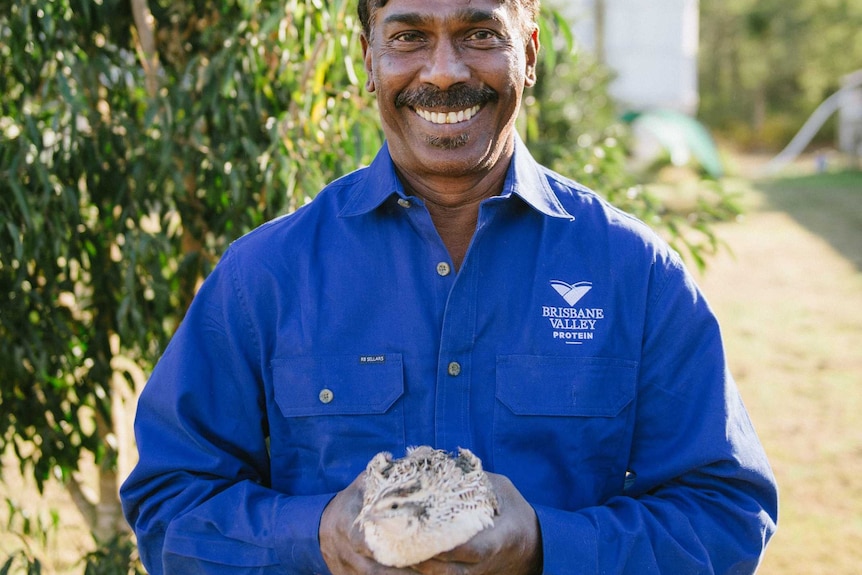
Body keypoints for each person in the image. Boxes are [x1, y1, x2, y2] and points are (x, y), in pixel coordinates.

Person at [120, 0, 779, 573]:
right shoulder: (265, 275)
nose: (443, 70)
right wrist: (314, 536)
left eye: (479, 34)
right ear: (368, 59)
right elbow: (168, 501)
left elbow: (726, 514)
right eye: (408, 36)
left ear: (528, 53)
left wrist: (549, 545)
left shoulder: (636, 273)